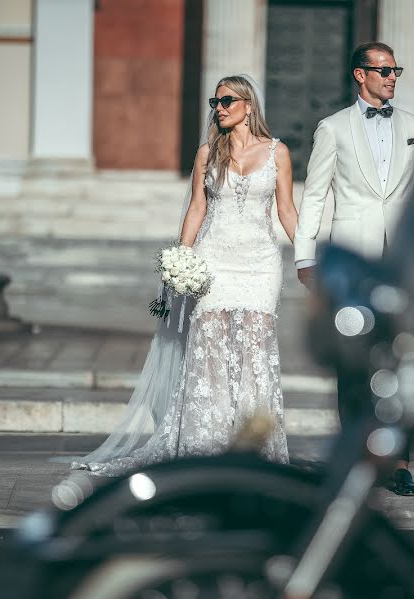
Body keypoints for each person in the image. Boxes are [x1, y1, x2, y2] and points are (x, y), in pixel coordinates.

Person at [73, 75, 299, 476]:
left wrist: (308, 258)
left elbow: (286, 210)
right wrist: (181, 258)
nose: (220, 108)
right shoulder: (207, 153)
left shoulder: (278, 152)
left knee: (254, 349)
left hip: (260, 262)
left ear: (249, 106)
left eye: (228, 100)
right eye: (215, 101)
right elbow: (197, 208)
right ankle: (206, 444)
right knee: (209, 348)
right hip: (214, 258)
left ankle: (254, 446)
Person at [293, 42, 414, 496]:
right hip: (351, 261)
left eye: (396, 70)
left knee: (404, 358)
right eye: (384, 70)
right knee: (353, 361)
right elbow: (314, 195)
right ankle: (354, 458)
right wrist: (306, 256)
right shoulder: (332, 128)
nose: (392, 77)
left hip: (402, 264)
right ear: (360, 74)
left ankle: (400, 464)